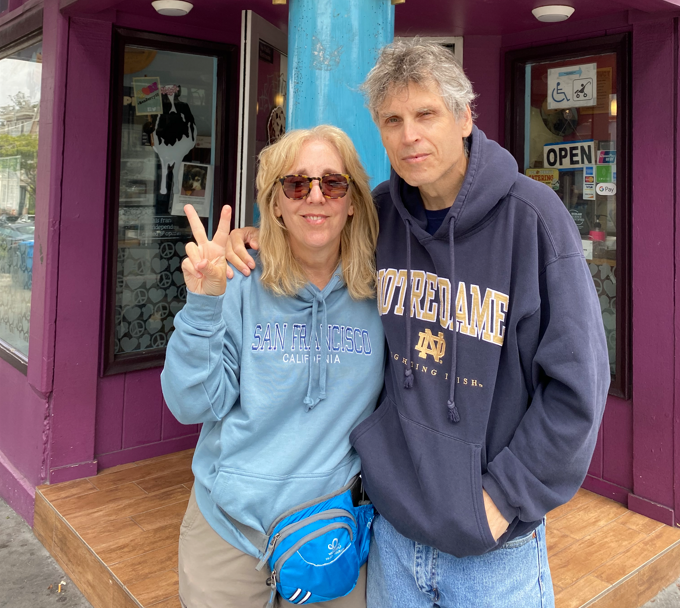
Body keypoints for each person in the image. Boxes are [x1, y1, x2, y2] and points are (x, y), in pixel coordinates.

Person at [225, 39, 611, 608]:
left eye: (426, 114)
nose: (409, 135)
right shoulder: (380, 217)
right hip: (394, 539)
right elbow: (316, 246)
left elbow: (579, 386)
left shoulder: (534, 221)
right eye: (392, 120)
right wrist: (256, 237)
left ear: (464, 117)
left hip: (494, 552)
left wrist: (503, 498)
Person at [161, 125, 385, 608]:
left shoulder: (383, 289)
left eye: (333, 182)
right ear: (275, 203)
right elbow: (190, 403)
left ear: (353, 201)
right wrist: (203, 304)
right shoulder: (238, 279)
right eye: (296, 184)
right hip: (229, 531)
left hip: (329, 531)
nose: (315, 196)